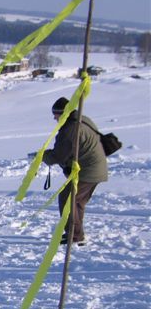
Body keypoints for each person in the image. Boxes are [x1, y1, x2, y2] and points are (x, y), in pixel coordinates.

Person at [42, 97, 108, 245]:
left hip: (88, 170)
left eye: (56, 114)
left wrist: (43, 156)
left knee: (68, 200)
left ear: (63, 113)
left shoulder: (71, 128)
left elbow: (59, 155)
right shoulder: (82, 120)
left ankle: (75, 235)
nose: (54, 118)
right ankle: (76, 234)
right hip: (94, 168)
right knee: (76, 201)